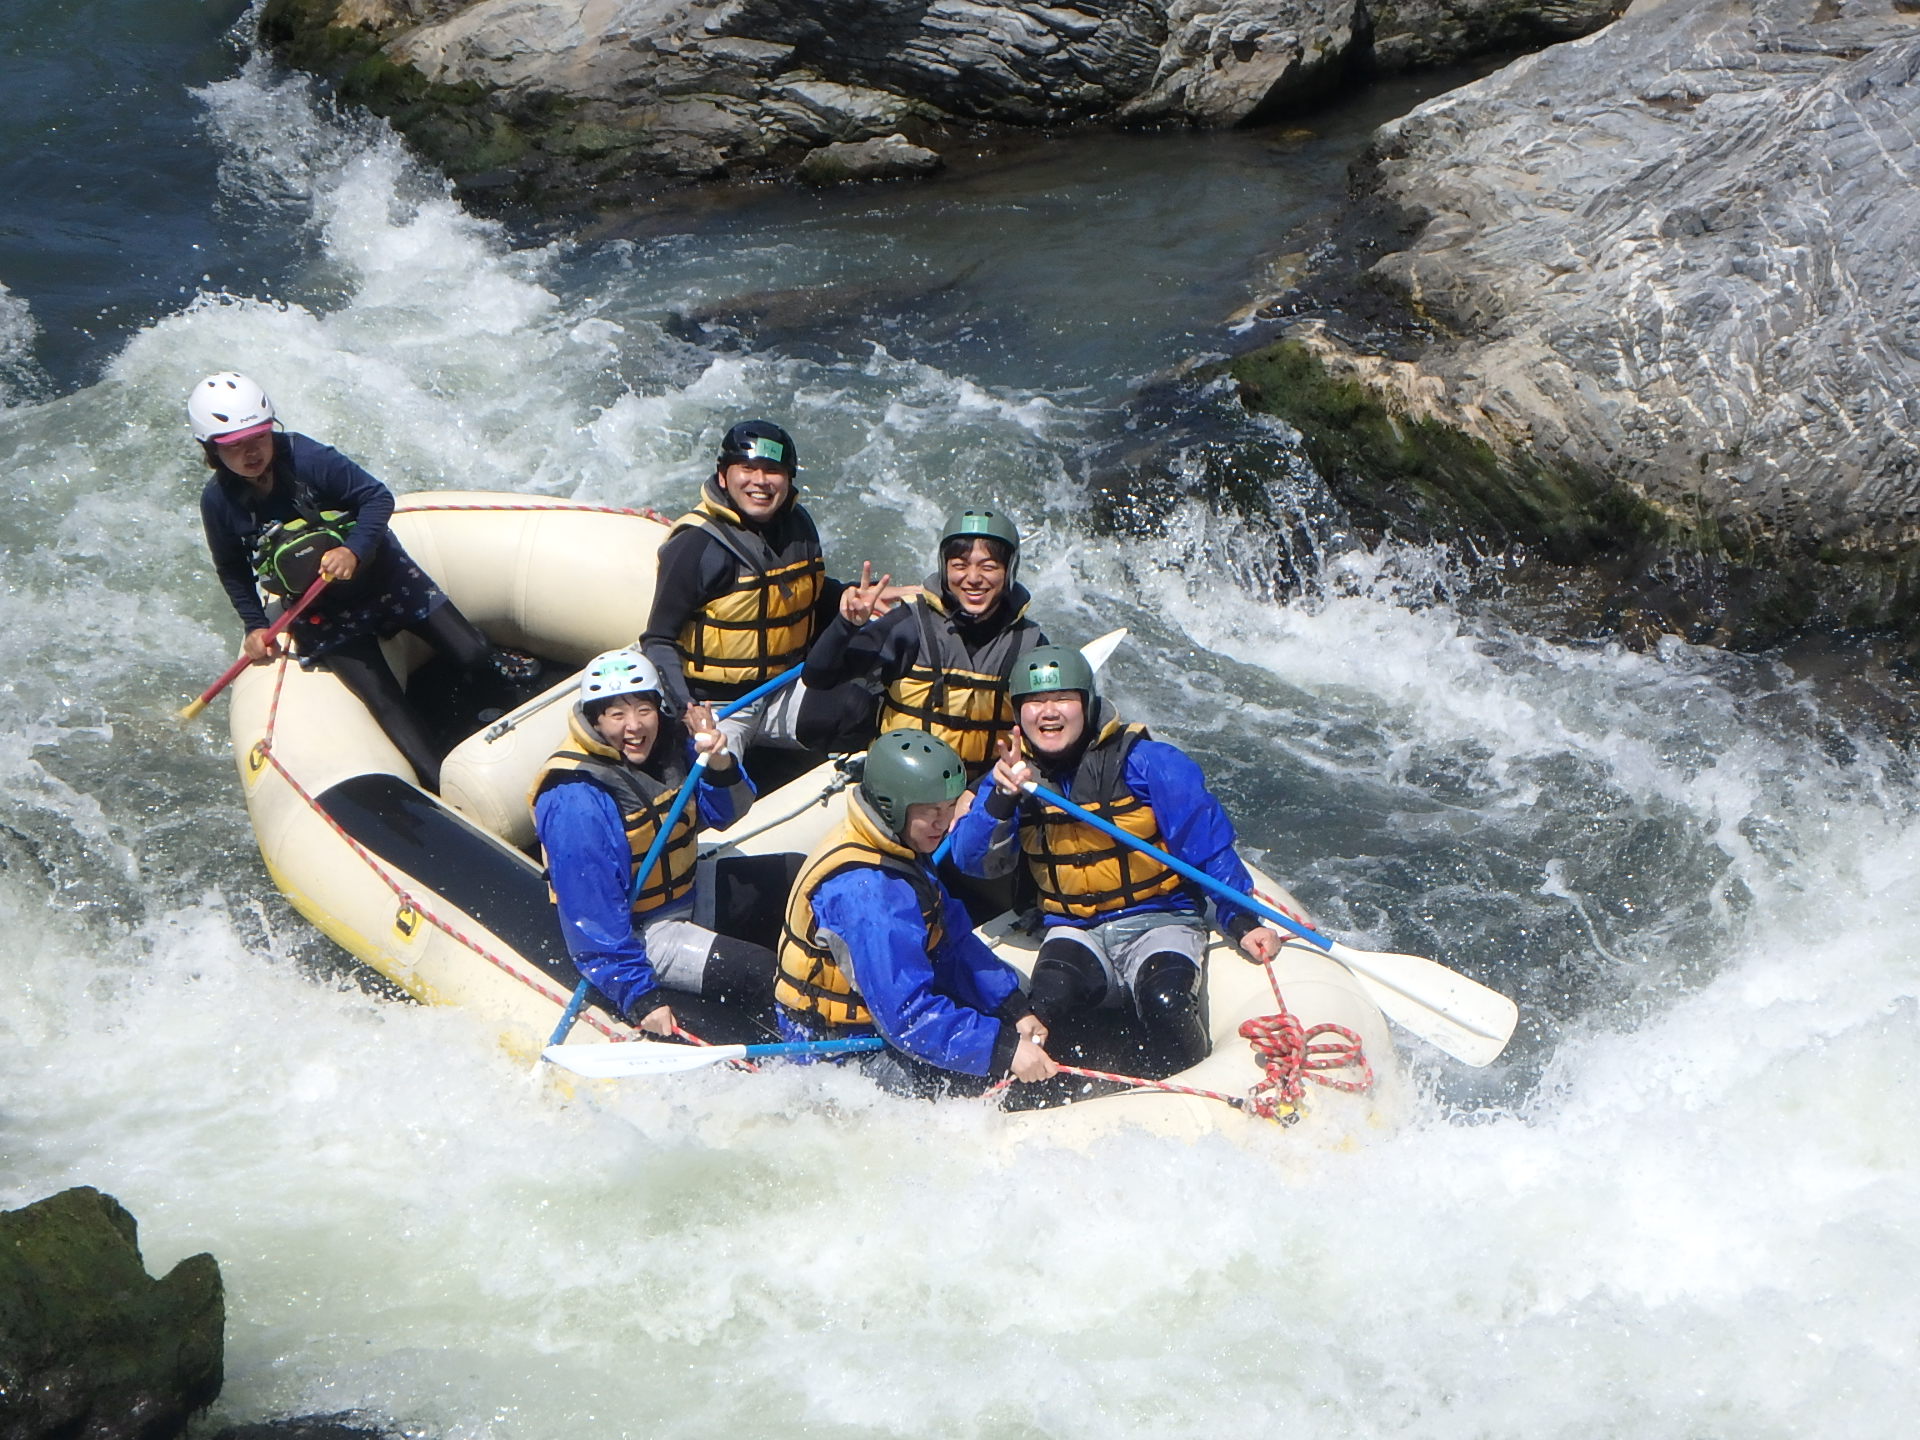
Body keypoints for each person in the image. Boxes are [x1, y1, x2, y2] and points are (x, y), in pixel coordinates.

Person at [947, 645, 1284, 1074]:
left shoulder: (1148, 762)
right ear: (1018, 714)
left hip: (1160, 920)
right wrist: (1001, 798)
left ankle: (1189, 1087)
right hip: (1074, 929)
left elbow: (1207, 847)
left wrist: (1243, 921)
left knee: (1166, 1002)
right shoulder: (1011, 781)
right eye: (1035, 702)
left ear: (1087, 703)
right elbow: (971, 861)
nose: (1048, 712)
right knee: (1046, 1009)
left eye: (1062, 698)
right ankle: (1065, 1099)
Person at [190, 371, 529, 791]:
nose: (251, 452)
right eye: (234, 446)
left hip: (383, 574)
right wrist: (254, 625)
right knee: (385, 703)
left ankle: (500, 684)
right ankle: (445, 784)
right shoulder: (218, 502)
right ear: (211, 450)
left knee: (473, 653)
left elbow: (376, 497)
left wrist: (353, 550)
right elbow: (232, 568)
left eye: (258, 437)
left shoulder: (309, 459)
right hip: (319, 609)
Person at [775, 730, 1057, 1097]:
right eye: (930, 811)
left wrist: (1012, 1008)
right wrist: (1003, 1049)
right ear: (892, 806)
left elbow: (951, 941)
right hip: (839, 1048)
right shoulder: (869, 892)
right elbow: (906, 1016)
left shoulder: (898, 845)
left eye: (949, 806)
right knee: (969, 1095)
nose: (944, 822)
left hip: (885, 1019)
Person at [529, 649, 775, 1035]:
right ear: (595, 720)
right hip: (643, 931)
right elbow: (592, 912)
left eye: (644, 710)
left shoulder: (669, 747)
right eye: (617, 715)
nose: (634, 727)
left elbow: (725, 813)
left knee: (792, 875)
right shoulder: (575, 799)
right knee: (761, 972)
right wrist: (639, 996)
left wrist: (718, 760)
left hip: (687, 894)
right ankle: (819, 1053)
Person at [639, 420, 894, 756]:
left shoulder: (798, 526)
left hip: (784, 687)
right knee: (716, 776)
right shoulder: (695, 545)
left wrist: (851, 596)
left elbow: (802, 597)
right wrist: (687, 709)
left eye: (772, 470)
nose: (760, 480)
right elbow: (658, 639)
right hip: (718, 706)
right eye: (747, 468)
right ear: (723, 476)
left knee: (858, 709)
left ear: (788, 480)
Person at [802, 507, 1047, 779]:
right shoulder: (908, 626)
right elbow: (817, 676)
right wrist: (846, 624)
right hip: (902, 784)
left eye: (988, 567)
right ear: (944, 568)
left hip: (985, 788)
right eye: (959, 565)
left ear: (1009, 571)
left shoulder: (1029, 644)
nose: (973, 578)